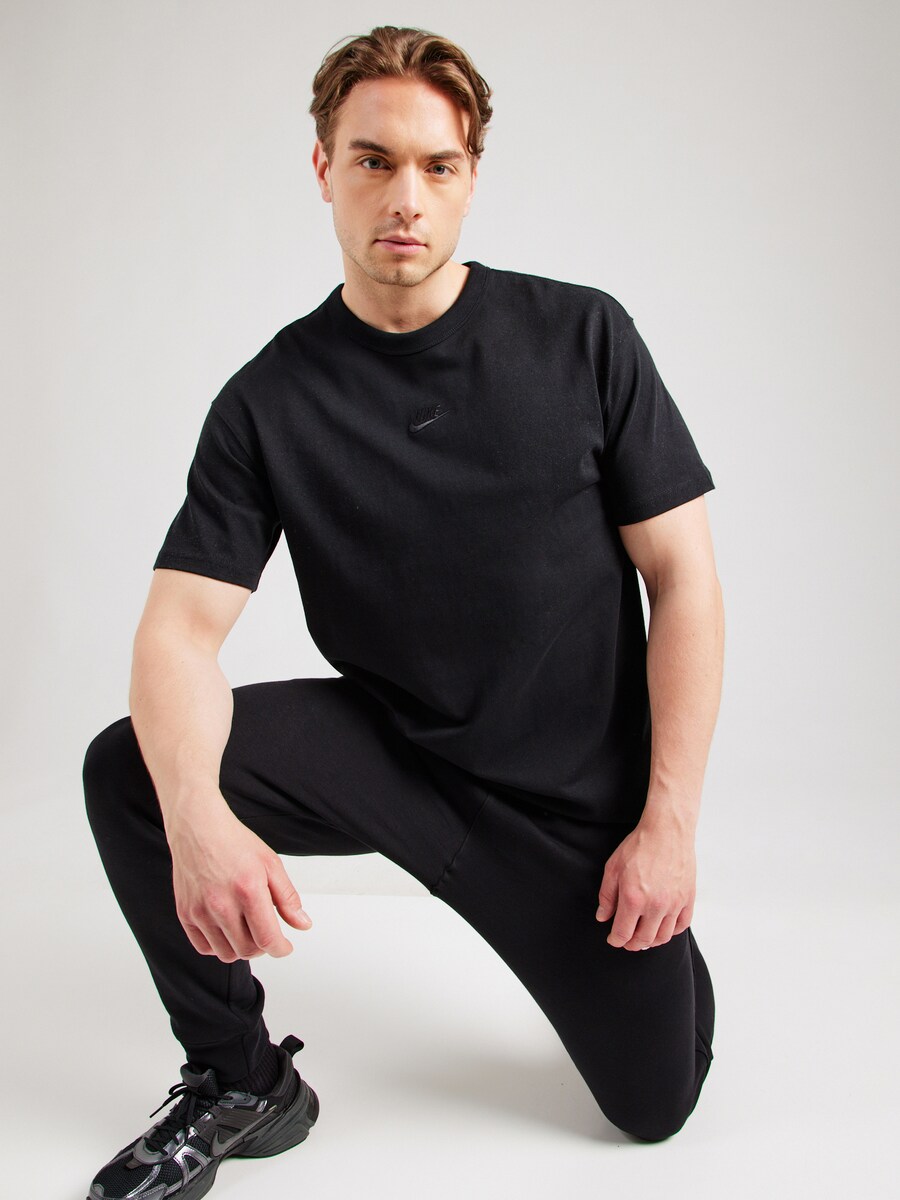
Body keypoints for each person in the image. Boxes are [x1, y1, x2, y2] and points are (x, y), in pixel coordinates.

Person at [83, 23, 724, 1200]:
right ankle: (239, 1078)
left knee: (656, 1103)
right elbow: (177, 630)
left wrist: (668, 826)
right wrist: (198, 817)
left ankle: (663, 968)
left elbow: (683, 580)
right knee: (133, 770)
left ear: (472, 177)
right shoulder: (269, 401)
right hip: (397, 762)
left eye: (439, 164)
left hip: (570, 816)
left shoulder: (582, 338)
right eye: (373, 160)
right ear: (324, 169)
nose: (405, 197)